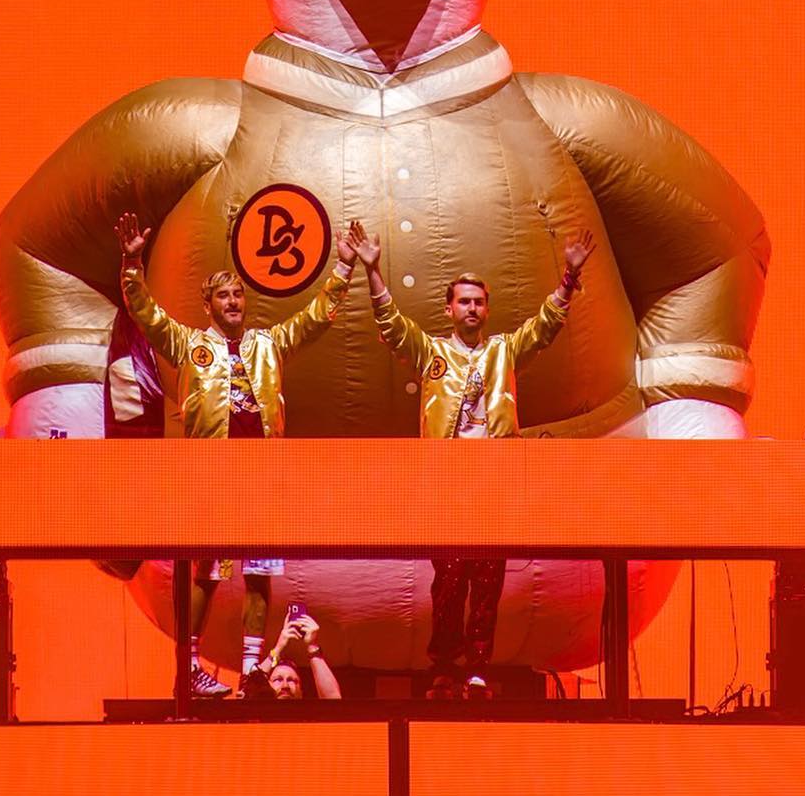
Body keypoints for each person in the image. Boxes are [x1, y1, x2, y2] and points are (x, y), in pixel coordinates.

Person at [115, 211, 361, 697]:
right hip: (212, 475)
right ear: (208, 305)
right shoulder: (190, 345)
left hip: (262, 476)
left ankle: (251, 669)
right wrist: (131, 265)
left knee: (259, 573)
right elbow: (145, 312)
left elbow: (315, 318)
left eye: (238, 295)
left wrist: (344, 267)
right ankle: (188, 666)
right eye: (224, 296)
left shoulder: (268, 344)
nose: (233, 302)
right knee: (206, 570)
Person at [353, 225, 595, 698]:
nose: (471, 309)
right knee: (448, 580)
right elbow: (392, 326)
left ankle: (479, 667)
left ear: (487, 309)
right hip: (446, 483)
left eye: (478, 303)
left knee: (487, 579)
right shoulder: (432, 352)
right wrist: (372, 269)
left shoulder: (503, 351)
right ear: (449, 309)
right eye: (463, 302)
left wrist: (569, 277)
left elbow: (544, 327)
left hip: (492, 481)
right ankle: (444, 665)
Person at [246, 610, 342, 702]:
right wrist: (277, 649)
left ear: (301, 691)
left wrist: (312, 645)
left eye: (291, 680)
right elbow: (248, 690)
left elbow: (334, 701)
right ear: (267, 686)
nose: (285, 686)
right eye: (278, 680)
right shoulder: (256, 711)